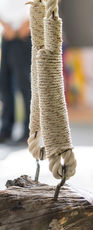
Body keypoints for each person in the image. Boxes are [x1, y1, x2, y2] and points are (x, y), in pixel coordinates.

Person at [0, 0, 31, 143]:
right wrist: (4, 26)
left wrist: (30, 22)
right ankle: (6, 129)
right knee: (4, 84)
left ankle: (29, 131)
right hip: (6, 34)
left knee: (24, 84)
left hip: (25, 33)